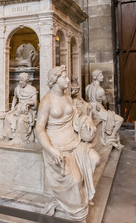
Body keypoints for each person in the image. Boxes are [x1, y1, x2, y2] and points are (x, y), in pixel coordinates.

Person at [35, 66, 100, 221]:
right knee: (76, 180)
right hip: (57, 146)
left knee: (95, 159)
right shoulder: (46, 101)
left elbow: (76, 119)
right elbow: (39, 129)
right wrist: (51, 149)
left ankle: (81, 197)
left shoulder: (68, 97)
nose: (68, 80)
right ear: (55, 80)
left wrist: (87, 119)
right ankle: (78, 214)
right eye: (64, 77)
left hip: (74, 141)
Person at [85, 70, 124, 149]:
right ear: (95, 77)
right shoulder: (100, 90)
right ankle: (111, 136)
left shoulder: (88, 87)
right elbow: (105, 102)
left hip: (91, 108)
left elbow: (88, 99)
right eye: (100, 75)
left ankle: (110, 136)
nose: (102, 76)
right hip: (99, 110)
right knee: (120, 119)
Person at [3, 72, 38, 145]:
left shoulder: (32, 89)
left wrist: (26, 103)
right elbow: (15, 99)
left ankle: (21, 139)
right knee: (8, 116)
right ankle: (9, 136)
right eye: (19, 80)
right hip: (18, 108)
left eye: (21, 80)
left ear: (26, 81)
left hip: (28, 109)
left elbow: (34, 102)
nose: (20, 82)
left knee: (21, 120)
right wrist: (12, 109)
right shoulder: (17, 88)